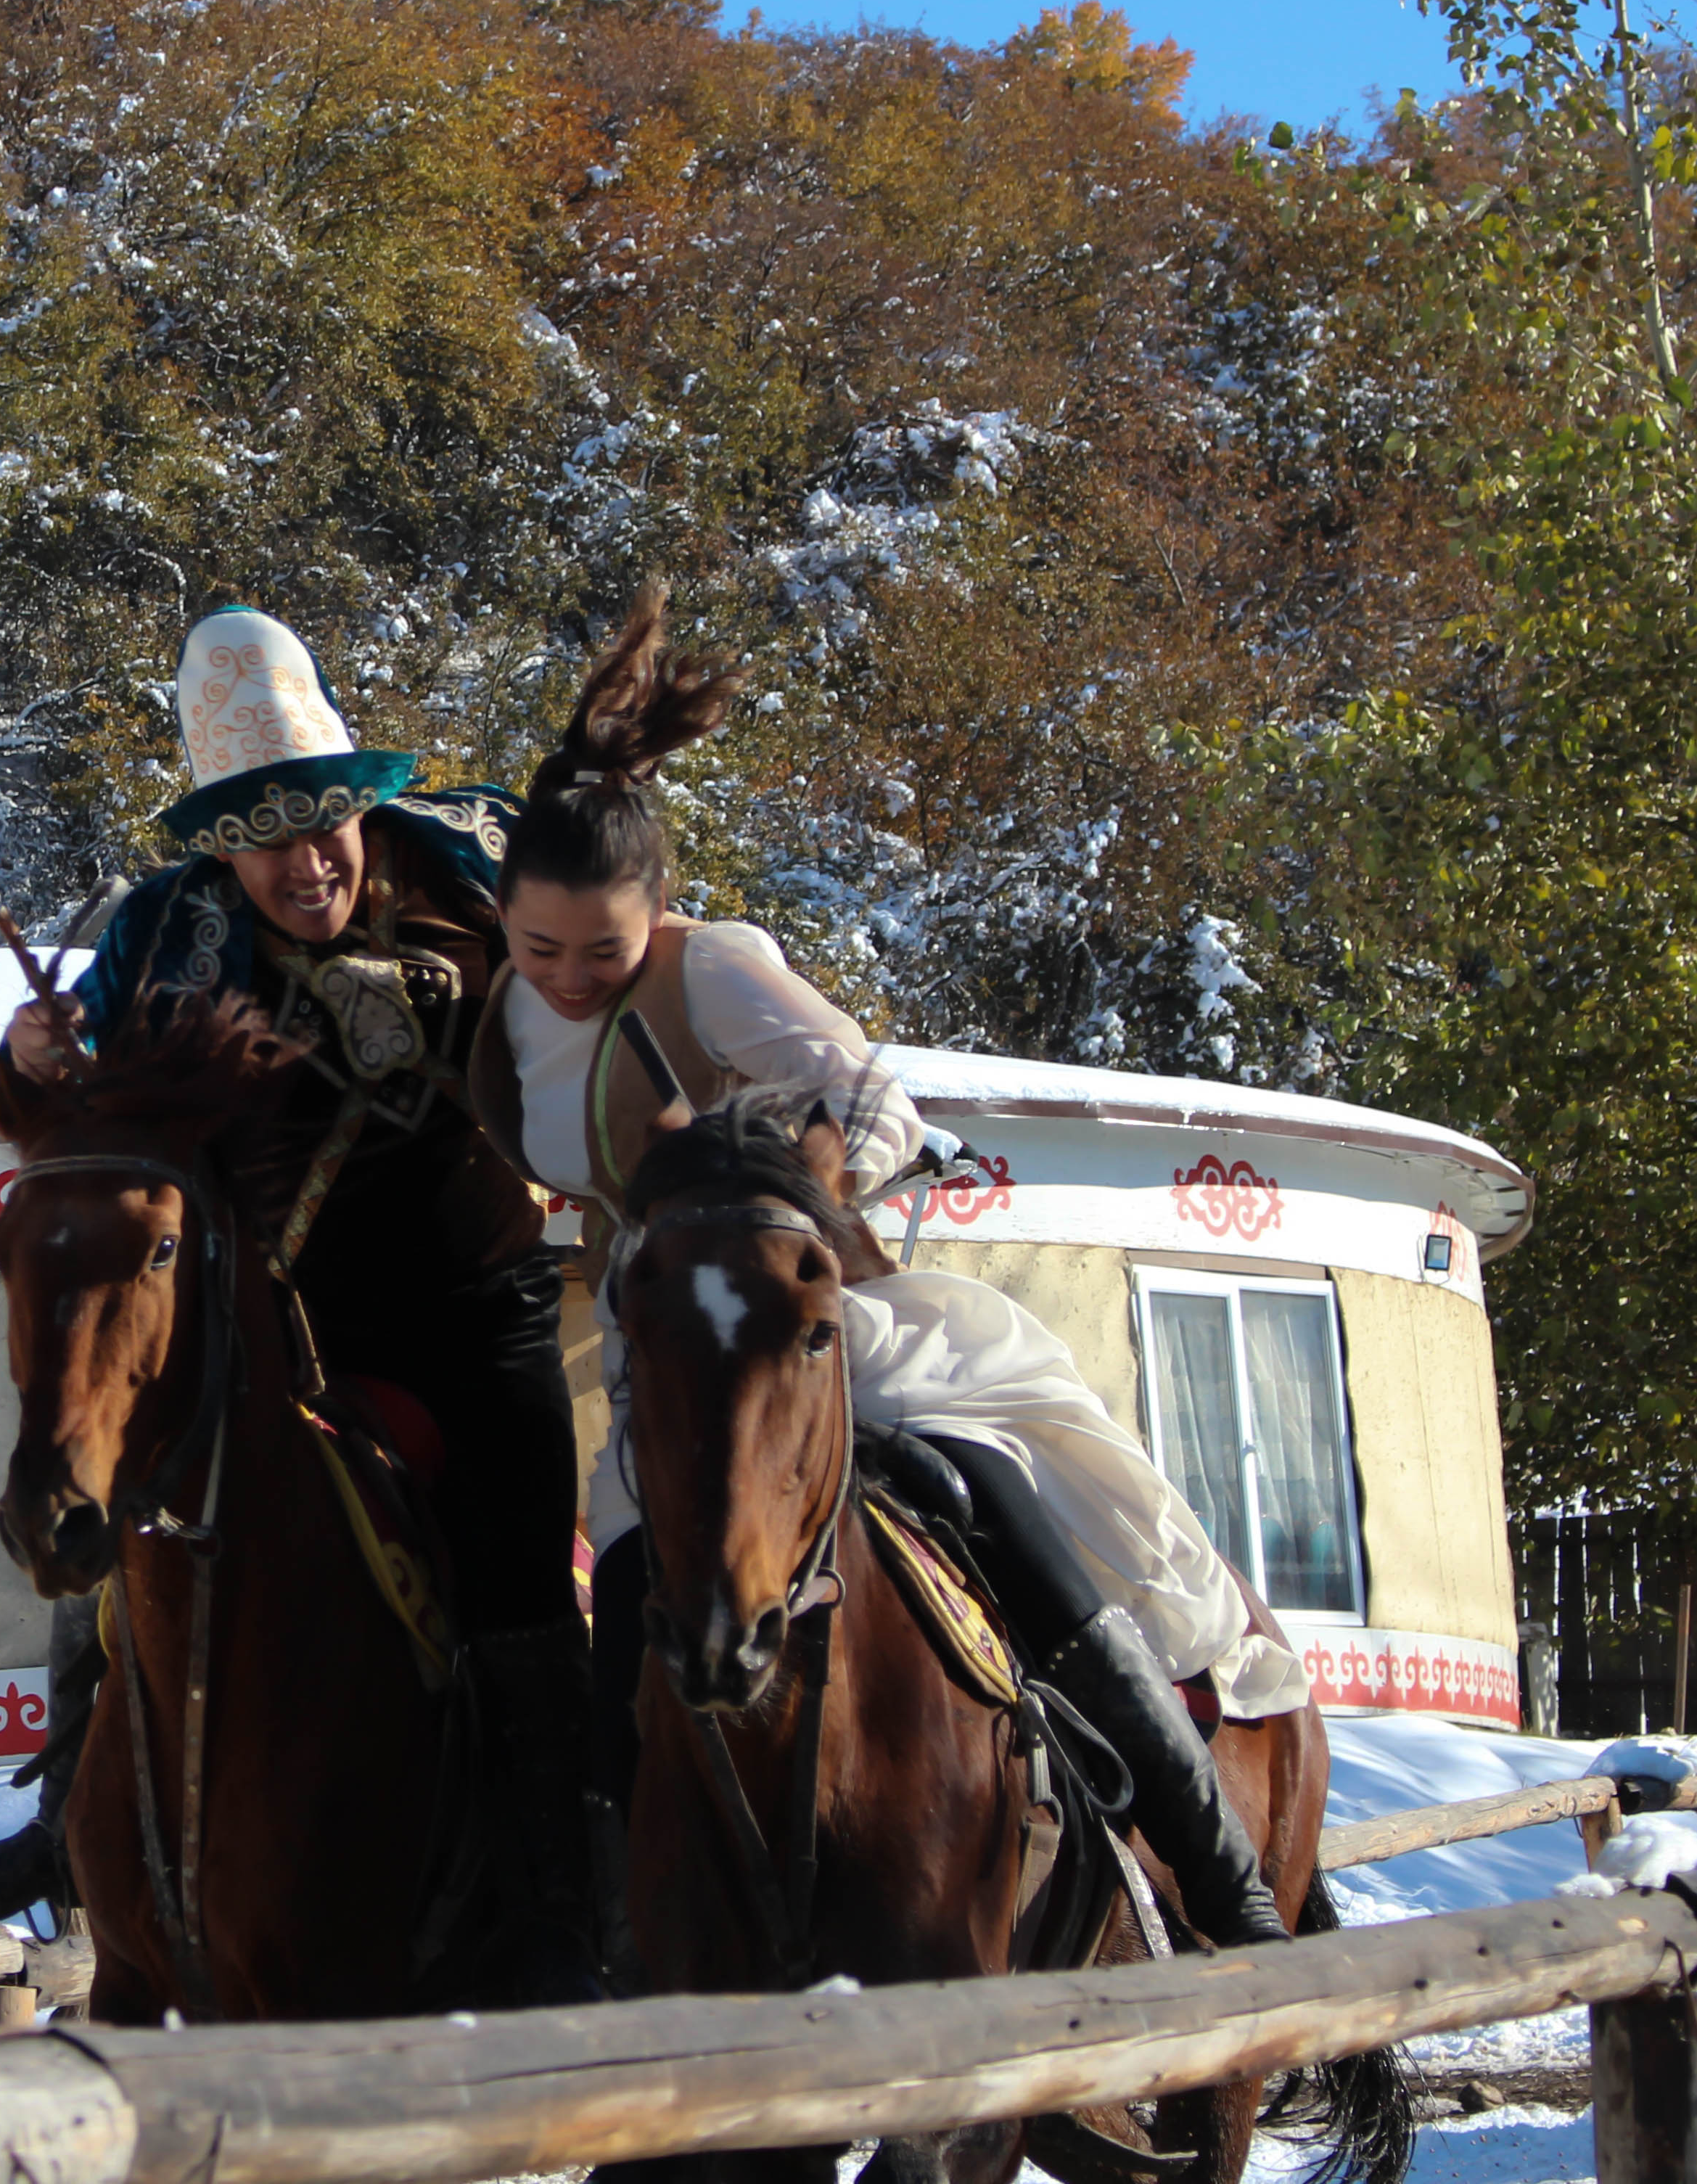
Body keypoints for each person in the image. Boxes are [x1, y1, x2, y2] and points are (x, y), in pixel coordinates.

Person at [466, 586, 1304, 1950]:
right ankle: (624, 1923)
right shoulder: (502, 1016)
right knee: (623, 1606)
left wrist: (803, 1174)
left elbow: (875, 1097)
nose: (568, 975)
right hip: (664, 1363)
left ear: (659, 912)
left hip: (821, 1321)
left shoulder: (716, 967)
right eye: (539, 944)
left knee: (997, 1504)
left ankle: (1219, 1875)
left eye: (602, 949)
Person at [0, 606, 599, 2000]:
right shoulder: (161, 929)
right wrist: (53, 1056)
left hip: (469, 1300)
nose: (309, 860)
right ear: (217, 846)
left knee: (520, 1567)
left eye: (329, 821)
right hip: (283, 1314)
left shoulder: (472, 863)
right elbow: (96, 1114)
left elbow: (616, 943)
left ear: (365, 805)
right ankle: (63, 1819)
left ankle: (564, 1883)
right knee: (115, 1512)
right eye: (267, 834)